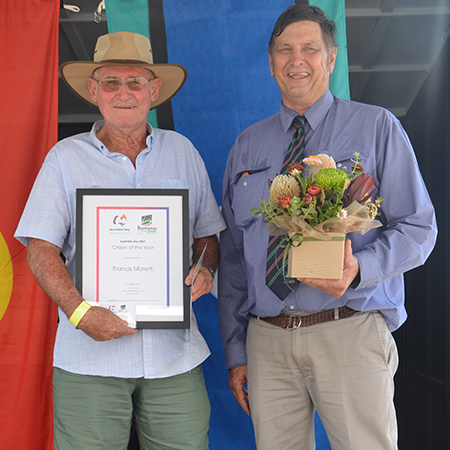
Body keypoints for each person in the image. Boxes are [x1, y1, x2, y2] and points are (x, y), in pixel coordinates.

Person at [218, 5, 437, 450]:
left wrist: (359, 268)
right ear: (271, 60)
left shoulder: (377, 127)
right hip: (268, 339)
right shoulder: (246, 146)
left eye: (309, 49)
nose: (296, 60)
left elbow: (419, 228)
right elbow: (235, 258)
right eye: (285, 50)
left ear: (331, 59)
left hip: (349, 329)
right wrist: (238, 352)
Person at [15, 31, 225, 450]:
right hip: (88, 357)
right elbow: (40, 249)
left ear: (154, 89)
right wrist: (80, 313)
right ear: (94, 91)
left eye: (135, 82)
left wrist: (207, 268)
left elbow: (207, 235)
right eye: (111, 82)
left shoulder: (183, 151)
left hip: (174, 356)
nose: (123, 92)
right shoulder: (64, 158)